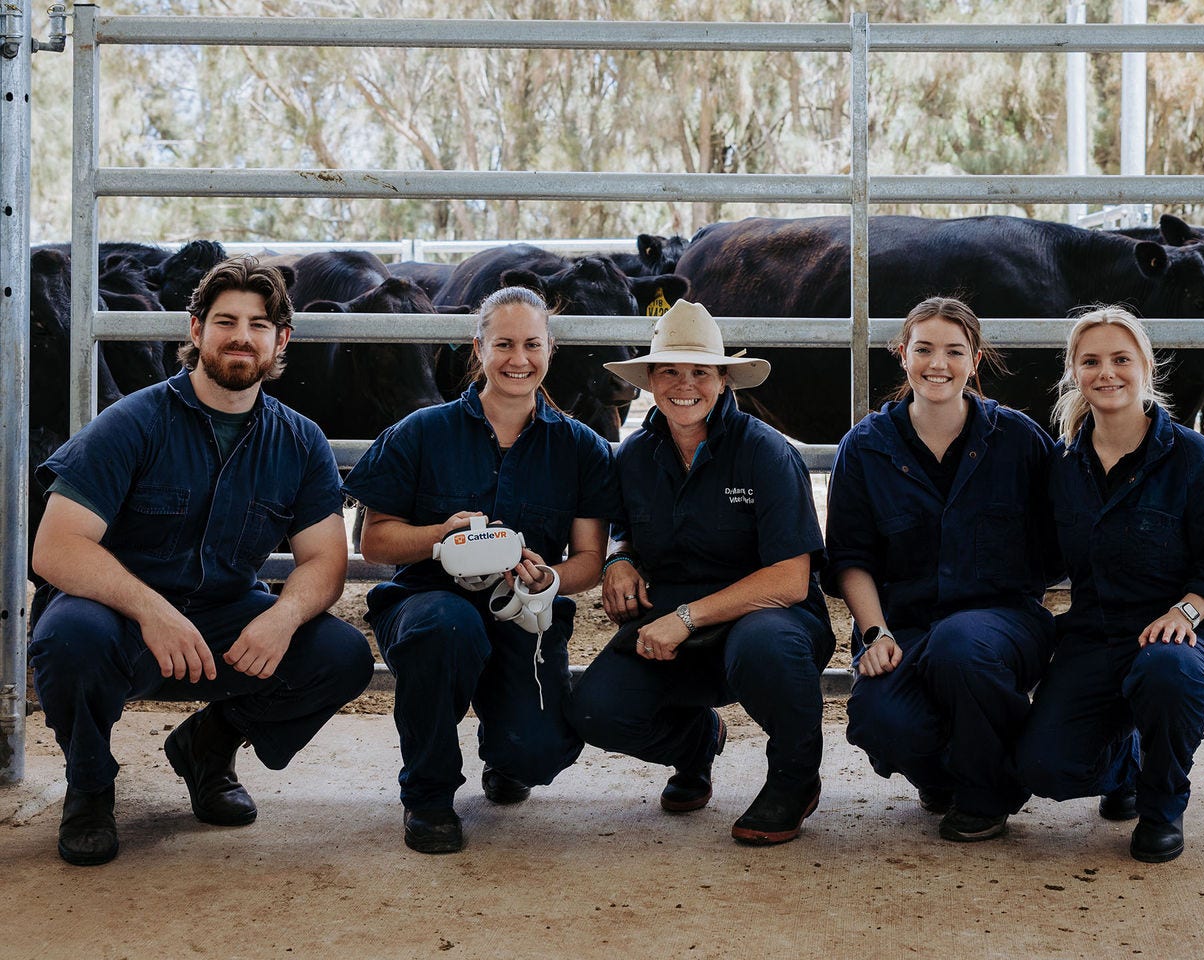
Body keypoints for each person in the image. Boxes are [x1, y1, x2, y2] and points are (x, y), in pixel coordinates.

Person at [29, 257, 374, 867]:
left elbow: (324, 558)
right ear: (195, 331)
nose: (242, 336)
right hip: (118, 620)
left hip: (222, 619)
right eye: (225, 321)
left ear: (280, 340)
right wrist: (151, 610)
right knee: (66, 638)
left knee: (341, 655)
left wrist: (284, 615)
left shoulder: (300, 442)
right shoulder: (132, 423)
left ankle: (209, 748)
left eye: (259, 324)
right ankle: (89, 785)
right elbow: (56, 547)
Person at [343, 285, 618, 855]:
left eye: (532, 345)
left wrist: (551, 579)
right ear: (479, 347)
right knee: (446, 629)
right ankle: (429, 796)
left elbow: (590, 560)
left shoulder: (582, 448)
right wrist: (439, 535)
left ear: (550, 349)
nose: (519, 360)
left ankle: (507, 750)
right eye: (504, 344)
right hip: (427, 602)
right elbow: (374, 541)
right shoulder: (421, 432)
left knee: (536, 756)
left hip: (525, 610)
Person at [569, 299, 835, 846]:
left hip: (768, 620)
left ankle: (794, 777)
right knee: (596, 711)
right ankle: (694, 745)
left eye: (700, 372)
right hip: (676, 625)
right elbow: (623, 527)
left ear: (721, 380)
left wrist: (687, 618)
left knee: (767, 647)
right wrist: (619, 558)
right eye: (669, 370)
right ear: (648, 380)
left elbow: (789, 579)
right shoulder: (634, 457)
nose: (684, 384)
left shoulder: (766, 453)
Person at [1015, 307, 1204, 863]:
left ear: (1146, 366)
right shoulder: (1064, 467)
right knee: (1043, 767)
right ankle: (1130, 755)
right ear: (1075, 372)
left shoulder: (1192, 456)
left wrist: (1186, 612)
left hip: (1189, 638)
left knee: (1166, 673)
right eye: (1091, 361)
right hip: (1098, 637)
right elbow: (1043, 558)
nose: (1107, 373)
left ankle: (1162, 804)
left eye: (1121, 359)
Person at [823, 296, 1057, 842]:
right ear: (902, 355)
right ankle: (944, 773)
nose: (938, 364)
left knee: (962, 644)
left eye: (954, 351)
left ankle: (989, 792)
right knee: (879, 719)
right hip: (905, 626)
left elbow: (1066, 532)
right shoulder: (864, 449)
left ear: (975, 360)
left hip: (1005, 625)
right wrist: (873, 631)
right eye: (924, 349)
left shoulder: (1018, 439)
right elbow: (850, 558)